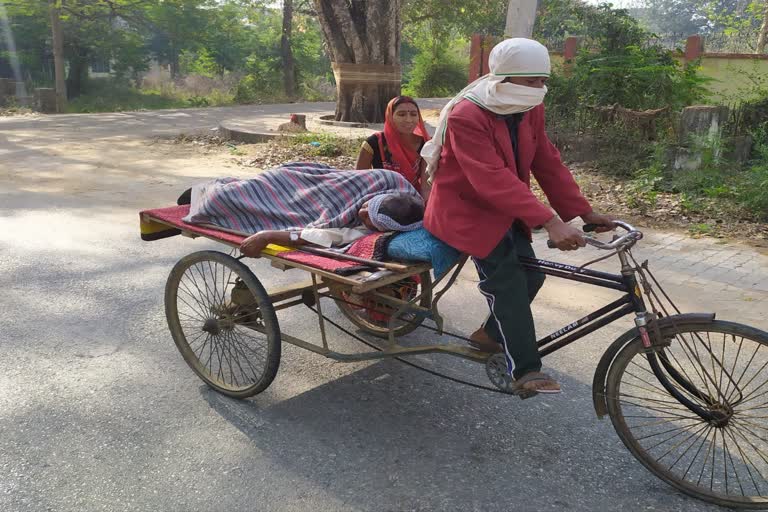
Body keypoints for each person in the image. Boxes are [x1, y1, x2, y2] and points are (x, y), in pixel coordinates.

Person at [421, 38, 615, 395]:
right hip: (466, 210)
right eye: (532, 81)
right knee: (508, 281)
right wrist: (549, 221)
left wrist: (582, 211)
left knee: (532, 278)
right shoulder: (468, 114)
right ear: (506, 78)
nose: (540, 89)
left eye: (543, 80)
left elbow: (546, 159)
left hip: (507, 205)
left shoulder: (529, 107)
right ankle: (525, 369)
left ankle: (488, 336)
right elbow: (489, 177)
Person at [178, 162, 424, 257]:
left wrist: (268, 235)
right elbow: (338, 178)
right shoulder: (390, 181)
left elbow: (314, 235)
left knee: (228, 199)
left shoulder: (363, 233)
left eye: (366, 218)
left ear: (379, 228)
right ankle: (207, 189)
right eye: (365, 206)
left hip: (304, 208)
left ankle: (209, 194)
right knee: (272, 180)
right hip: (310, 182)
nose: (360, 210)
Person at [356, 96, 432, 199]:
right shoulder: (374, 143)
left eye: (413, 114)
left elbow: (425, 187)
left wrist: (425, 209)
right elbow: (360, 181)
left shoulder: (425, 144)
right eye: (401, 114)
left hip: (412, 198)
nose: (409, 120)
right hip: (378, 197)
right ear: (390, 116)